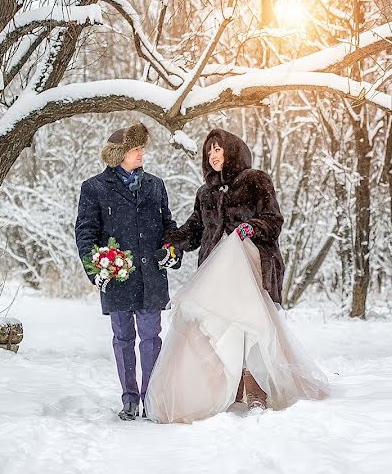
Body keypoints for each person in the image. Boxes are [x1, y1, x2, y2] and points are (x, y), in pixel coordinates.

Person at [144, 128, 328, 423]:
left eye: (218, 149)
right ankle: (225, 386)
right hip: (215, 272)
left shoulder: (255, 180)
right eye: (209, 152)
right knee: (216, 324)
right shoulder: (206, 193)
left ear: (232, 151)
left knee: (247, 322)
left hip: (250, 263)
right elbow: (195, 230)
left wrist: (251, 227)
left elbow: (273, 220)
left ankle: (256, 385)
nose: (213, 156)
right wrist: (171, 241)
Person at [75, 122, 180, 421]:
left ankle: (150, 397)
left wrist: (171, 250)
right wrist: (96, 268)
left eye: (142, 148)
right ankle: (129, 399)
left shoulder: (155, 185)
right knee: (123, 338)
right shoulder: (94, 187)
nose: (141, 153)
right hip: (117, 276)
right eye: (136, 149)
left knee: (151, 337)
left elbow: (168, 226)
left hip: (151, 275)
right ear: (118, 154)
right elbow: (85, 233)